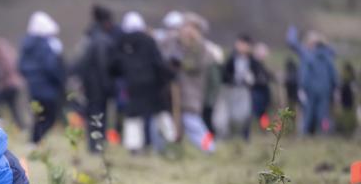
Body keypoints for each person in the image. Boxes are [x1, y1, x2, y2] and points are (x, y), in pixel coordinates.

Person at [111, 11, 175, 154]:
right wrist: (170, 75)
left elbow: (114, 66)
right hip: (152, 84)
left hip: (132, 85)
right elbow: (158, 63)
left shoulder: (121, 42)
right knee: (160, 112)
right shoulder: (149, 40)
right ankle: (171, 141)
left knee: (133, 116)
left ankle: (134, 147)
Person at [170, 14, 216, 153]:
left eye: (190, 27)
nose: (187, 30)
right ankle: (178, 150)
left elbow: (196, 64)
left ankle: (210, 148)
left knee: (193, 122)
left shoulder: (200, 47)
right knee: (179, 124)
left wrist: (180, 63)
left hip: (191, 91)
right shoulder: (177, 43)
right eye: (185, 26)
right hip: (177, 91)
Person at [75, 5, 117, 153]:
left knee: (92, 115)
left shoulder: (88, 37)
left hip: (89, 86)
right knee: (98, 116)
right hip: (98, 88)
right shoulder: (102, 40)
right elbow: (103, 66)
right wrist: (108, 86)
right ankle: (96, 147)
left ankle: (94, 146)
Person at [19, 11, 65, 145]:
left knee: (39, 116)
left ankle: (34, 141)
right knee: (50, 117)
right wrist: (61, 81)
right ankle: (35, 140)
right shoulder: (47, 46)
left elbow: (21, 66)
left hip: (33, 88)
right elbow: (51, 67)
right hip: (48, 89)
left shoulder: (27, 45)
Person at [286, 26, 338, 135]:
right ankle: (324, 135)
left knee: (308, 114)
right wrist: (335, 88)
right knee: (323, 115)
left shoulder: (306, 53)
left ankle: (306, 135)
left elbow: (292, 42)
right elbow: (333, 74)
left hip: (309, 90)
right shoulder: (328, 54)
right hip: (325, 90)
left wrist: (293, 28)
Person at [214, 34, 259, 140]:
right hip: (231, 90)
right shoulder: (232, 58)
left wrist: (251, 79)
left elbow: (258, 74)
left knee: (244, 115)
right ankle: (228, 137)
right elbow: (224, 74)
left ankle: (243, 138)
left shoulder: (252, 61)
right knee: (227, 116)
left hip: (245, 91)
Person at [0, 38, 26, 130]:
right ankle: (20, 126)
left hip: (9, 86)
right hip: (15, 86)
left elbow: (3, 72)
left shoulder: (3, 57)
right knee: (14, 108)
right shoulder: (10, 54)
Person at [338, 62, 358, 136]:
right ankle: (348, 131)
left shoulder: (347, 82)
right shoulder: (350, 81)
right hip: (348, 104)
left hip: (348, 105)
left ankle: (348, 132)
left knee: (348, 119)